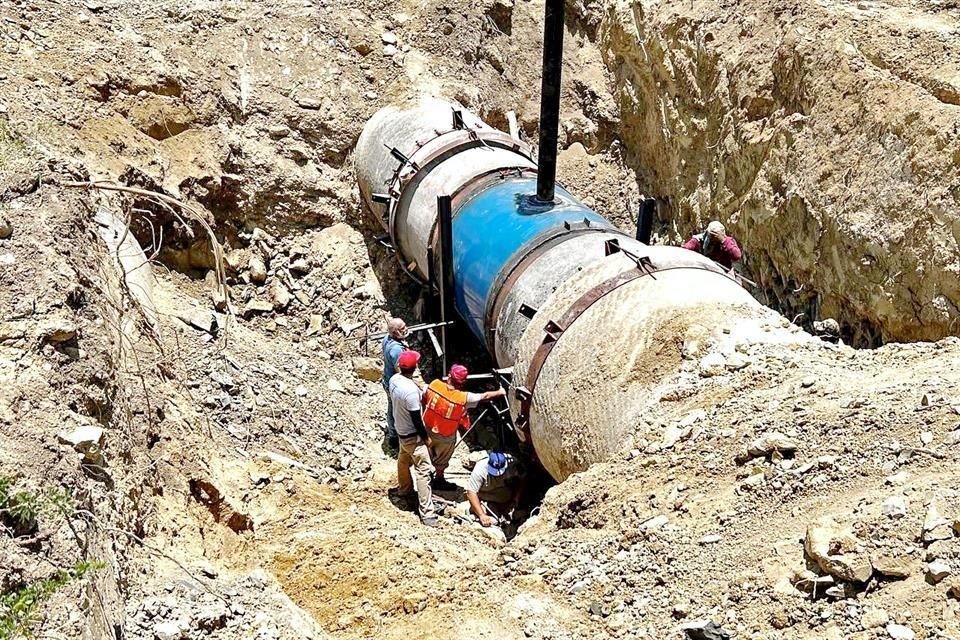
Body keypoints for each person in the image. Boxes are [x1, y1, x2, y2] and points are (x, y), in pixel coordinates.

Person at [422, 364, 506, 491]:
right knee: (441, 460)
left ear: (449, 376)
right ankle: (438, 480)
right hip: (445, 435)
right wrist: (500, 391)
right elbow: (484, 396)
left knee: (426, 453)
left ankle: (423, 477)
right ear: (463, 383)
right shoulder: (463, 398)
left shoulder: (434, 385)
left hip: (427, 428)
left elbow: (423, 395)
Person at [389, 349, 438, 527]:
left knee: (403, 460)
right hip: (412, 435)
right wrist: (427, 439)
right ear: (415, 367)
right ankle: (427, 513)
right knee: (424, 470)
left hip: (400, 429)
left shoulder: (395, 379)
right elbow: (417, 420)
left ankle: (404, 490)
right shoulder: (411, 393)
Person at [465, 451, 525, 528]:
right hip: (484, 493)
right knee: (493, 520)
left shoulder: (514, 464)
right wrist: (482, 515)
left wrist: (516, 499)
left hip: (502, 493)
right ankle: (477, 510)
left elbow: (523, 478)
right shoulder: (480, 469)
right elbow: (471, 492)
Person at [381, 317, 407, 450]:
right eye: (403, 328)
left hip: (387, 379)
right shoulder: (396, 350)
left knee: (392, 408)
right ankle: (394, 437)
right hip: (393, 385)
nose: (406, 329)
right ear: (396, 333)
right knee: (395, 410)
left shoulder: (387, 338)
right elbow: (401, 370)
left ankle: (393, 433)